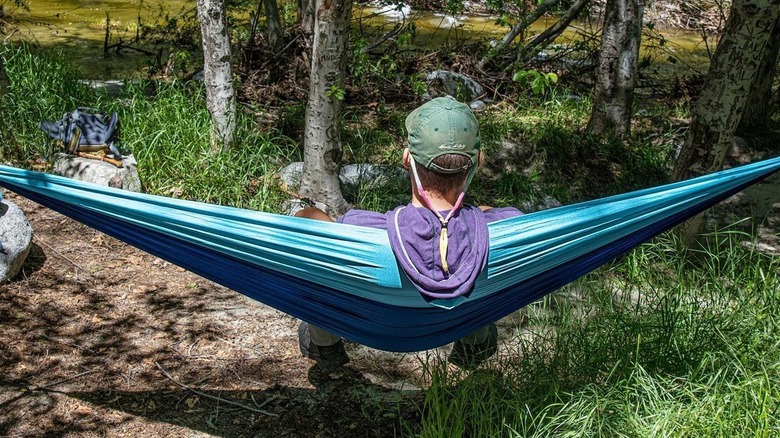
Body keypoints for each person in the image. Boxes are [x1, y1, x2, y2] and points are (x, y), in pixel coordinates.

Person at [295, 97, 522, 371]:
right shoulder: (505, 228)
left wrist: (307, 213)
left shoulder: (359, 228)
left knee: (320, 256)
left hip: (377, 327)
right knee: (486, 266)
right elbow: (489, 217)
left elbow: (309, 224)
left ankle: (325, 345)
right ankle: (476, 344)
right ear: (479, 162)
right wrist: (485, 212)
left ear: (406, 160)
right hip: (458, 320)